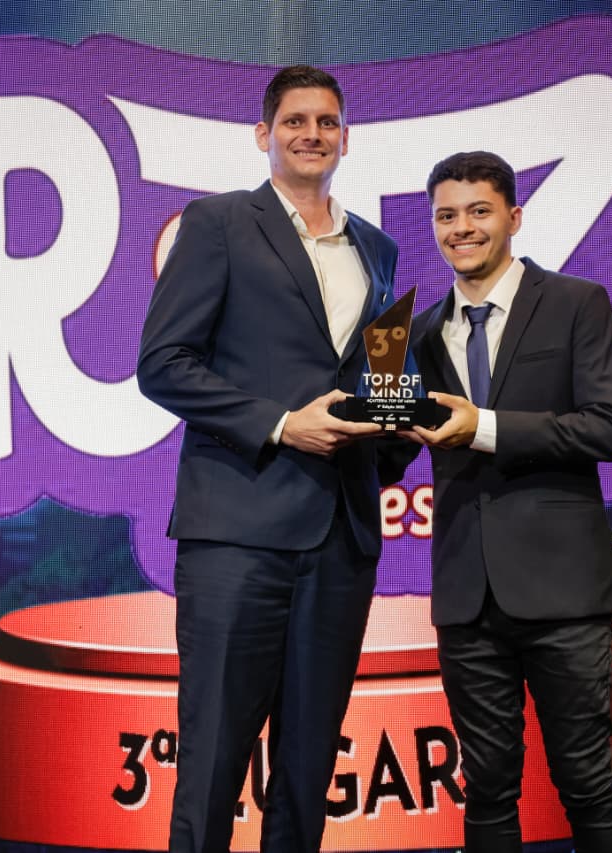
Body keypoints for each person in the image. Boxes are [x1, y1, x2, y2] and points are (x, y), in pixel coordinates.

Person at [136, 65, 405, 853]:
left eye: (326, 122)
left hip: (342, 540)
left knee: (306, 772)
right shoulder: (218, 223)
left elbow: (376, 375)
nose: (311, 134)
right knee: (213, 764)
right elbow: (163, 364)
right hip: (239, 535)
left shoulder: (377, 248)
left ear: (346, 138)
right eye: (295, 121)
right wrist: (283, 425)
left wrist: (401, 430)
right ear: (264, 134)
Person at [407, 151, 612, 852]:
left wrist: (485, 426)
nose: (462, 228)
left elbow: (608, 428)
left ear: (514, 216)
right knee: (486, 788)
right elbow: (394, 455)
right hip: (466, 596)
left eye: (479, 211)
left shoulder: (575, 303)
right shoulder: (415, 333)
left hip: (562, 592)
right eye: (446, 215)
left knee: (586, 781)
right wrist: (369, 419)